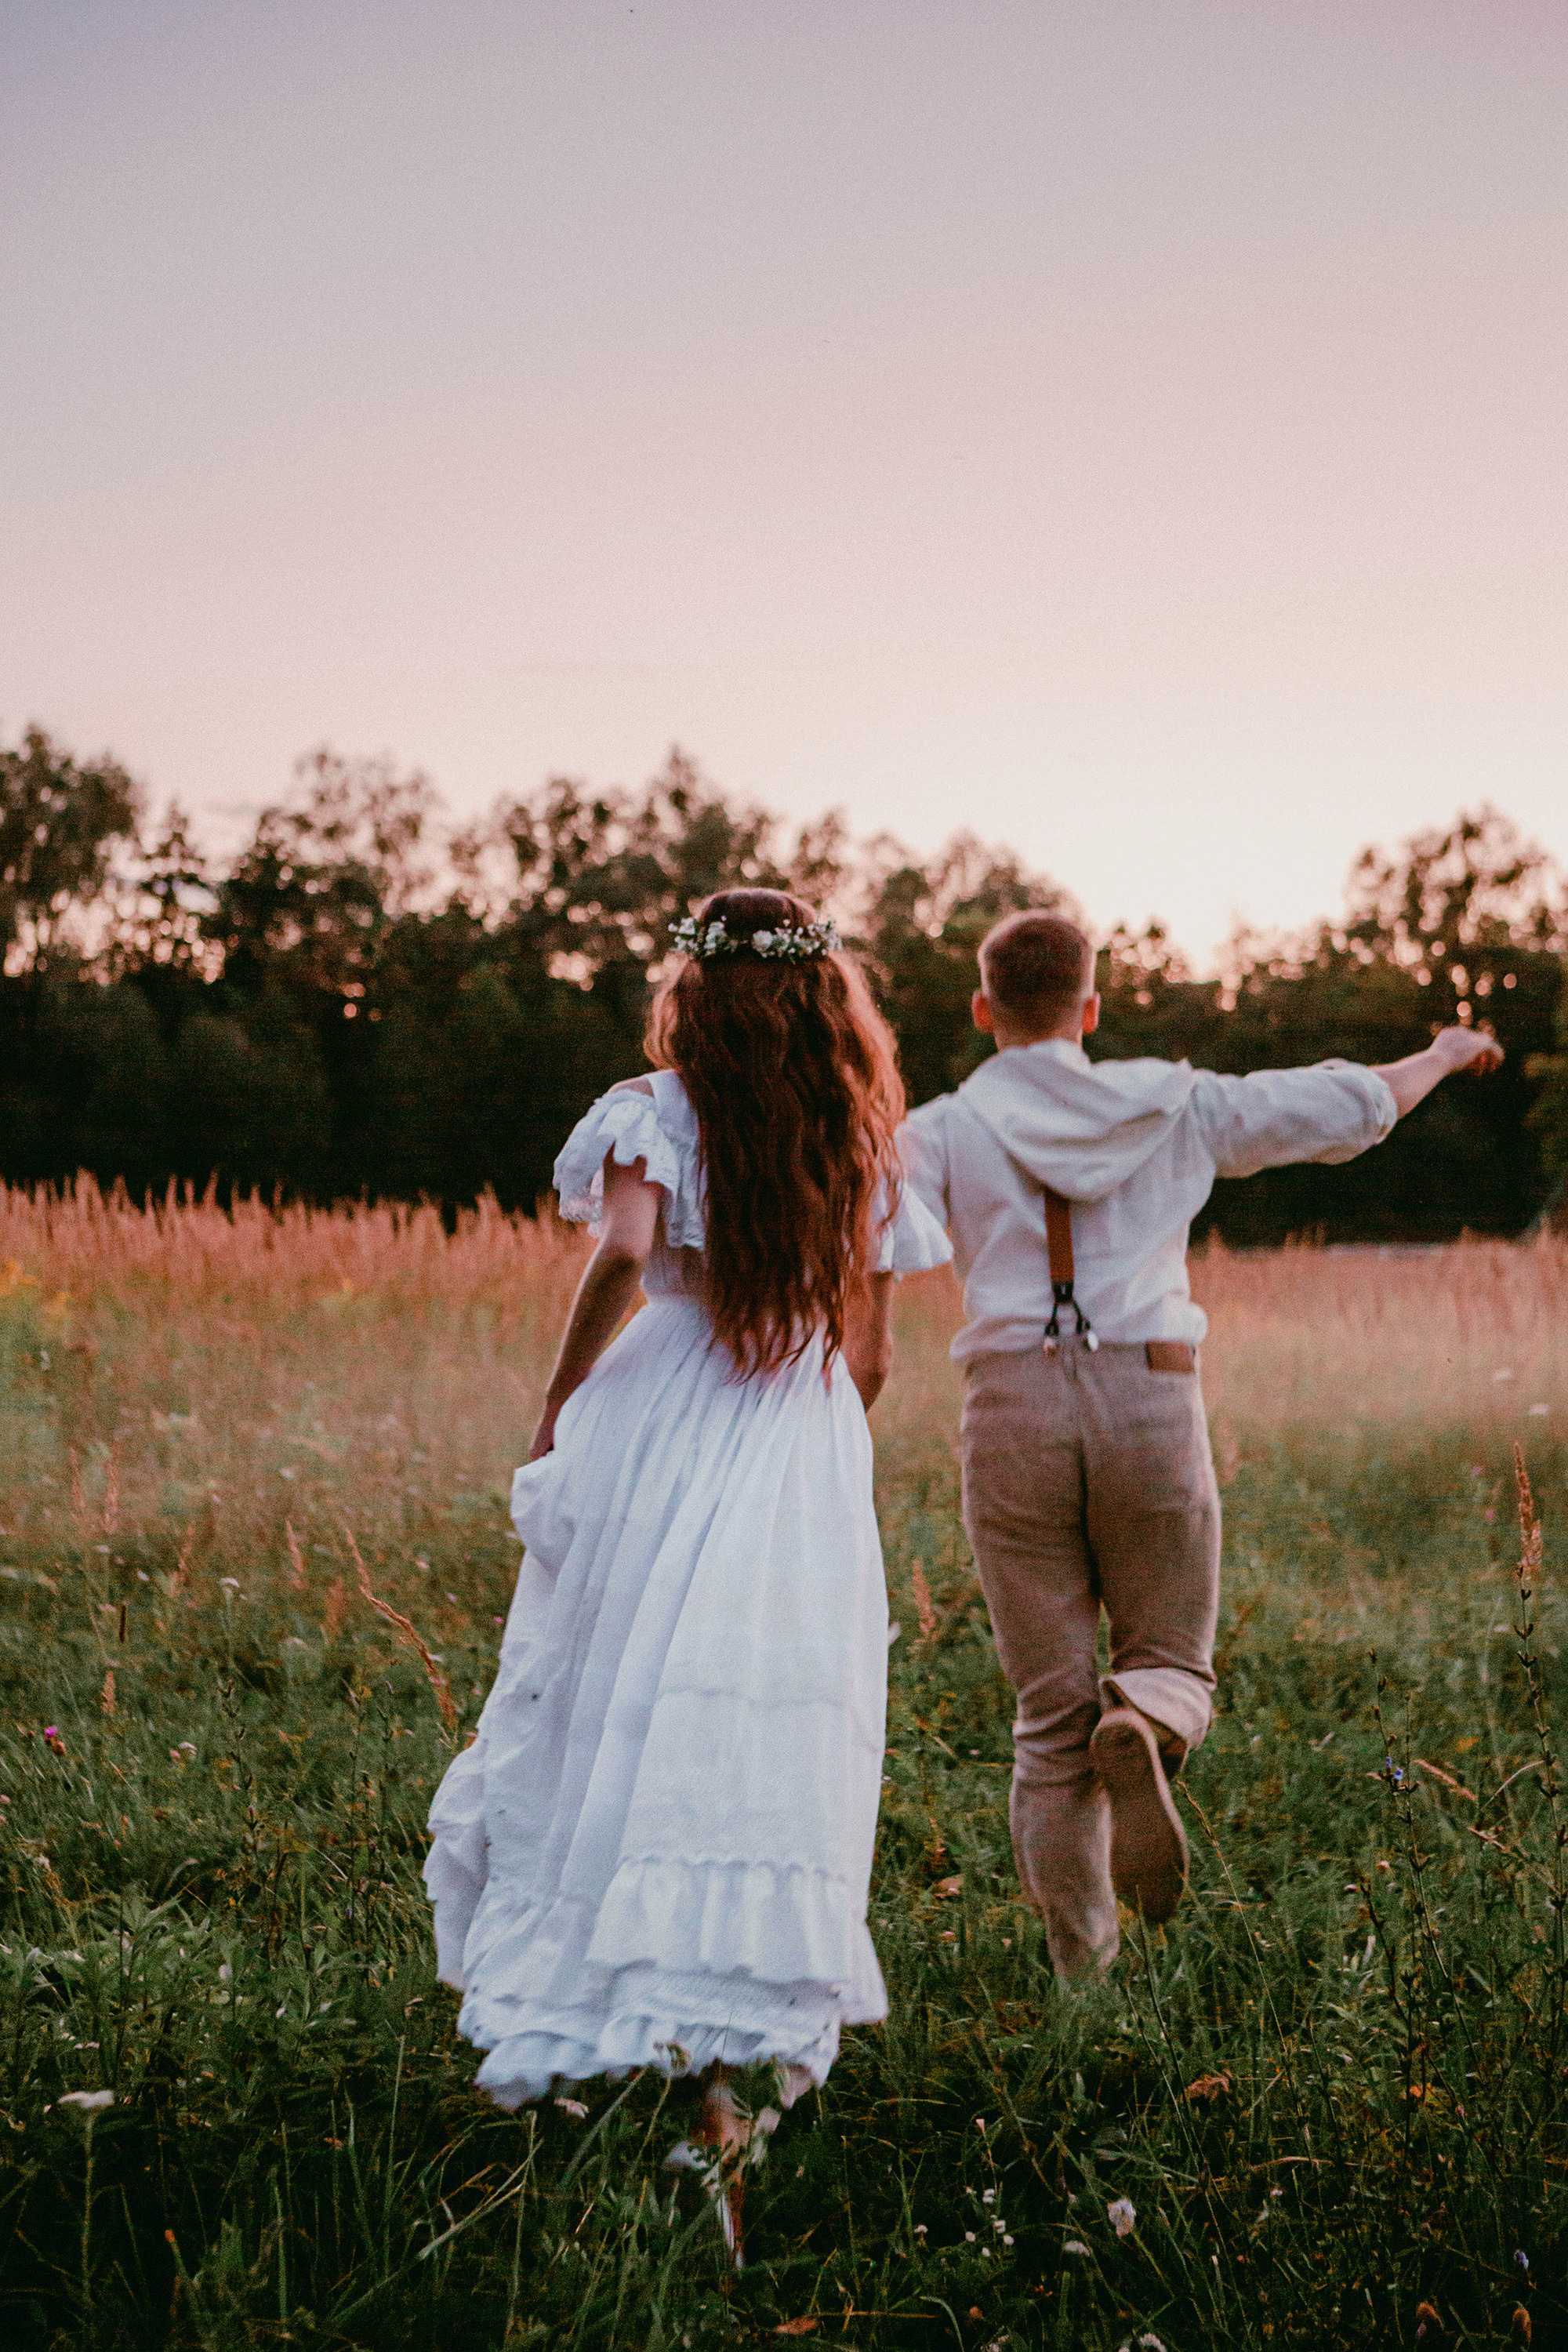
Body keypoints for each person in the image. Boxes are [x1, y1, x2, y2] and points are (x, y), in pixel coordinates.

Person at [423, 887, 950, 2256]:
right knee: (747, 1716)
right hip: (796, 1425)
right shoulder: (860, 1134)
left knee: (615, 1685)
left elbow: (624, 1258)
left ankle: (603, 2004)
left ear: (693, 992)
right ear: (825, 997)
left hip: (664, 1408)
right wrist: (801, 1437)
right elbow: (873, 1353)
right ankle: (714, 2083)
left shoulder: (655, 1111)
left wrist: (559, 1402)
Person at [900, 909, 1504, 1983]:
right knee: (1173, 1658)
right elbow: (1355, 1106)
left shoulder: (939, 1131)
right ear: (1091, 1008)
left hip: (1010, 1407)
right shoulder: (1177, 1102)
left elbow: (856, 1231)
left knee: (1048, 1721)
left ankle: (1083, 1989)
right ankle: (1144, 1716)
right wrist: (1445, 1052)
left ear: (983, 1010)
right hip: (1149, 1395)